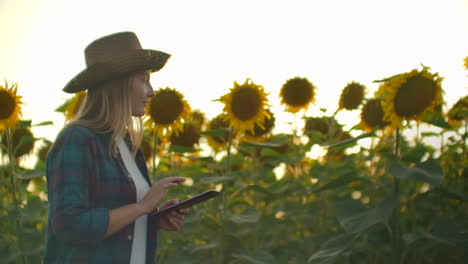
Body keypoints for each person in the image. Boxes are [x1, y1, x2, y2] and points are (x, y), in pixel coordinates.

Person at [44, 31, 187, 263]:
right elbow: (69, 225)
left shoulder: (127, 145)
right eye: (144, 79)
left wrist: (153, 220)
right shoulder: (77, 140)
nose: (152, 92)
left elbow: (121, 223)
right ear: (119, 83)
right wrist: (142, 207)